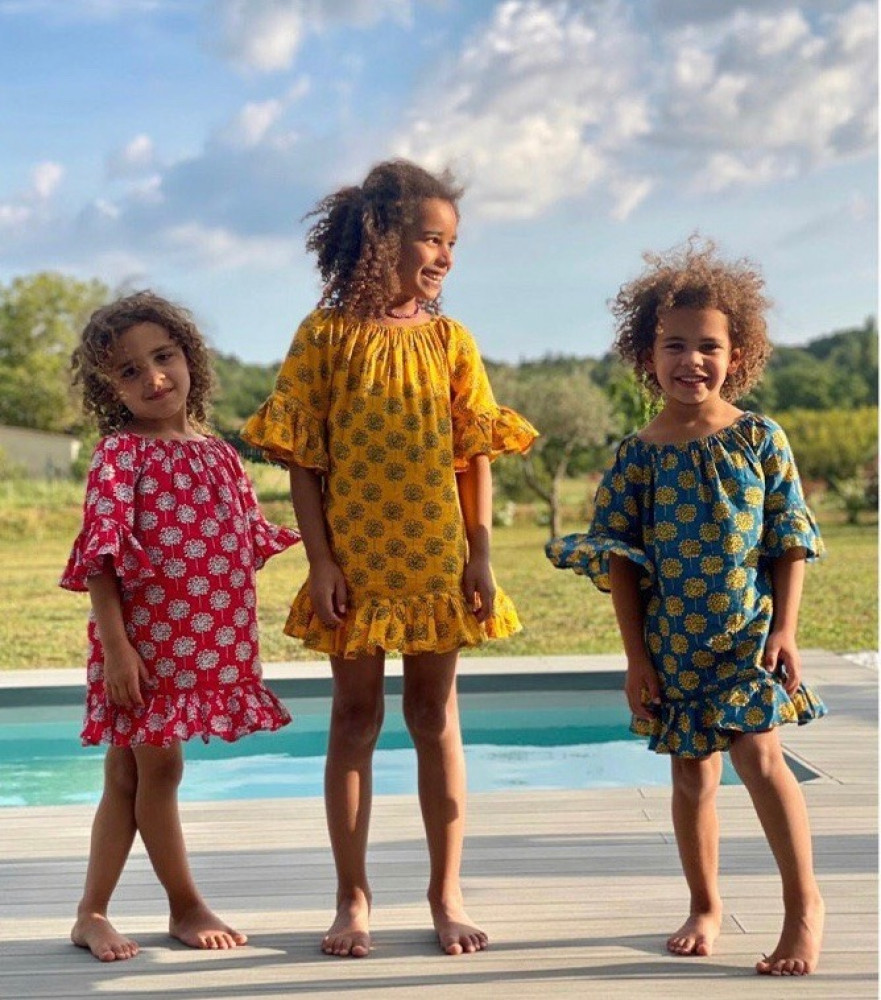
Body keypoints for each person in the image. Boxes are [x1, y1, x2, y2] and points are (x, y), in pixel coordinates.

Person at [241, 159, 537, 958]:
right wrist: (321, 562)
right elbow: (304, 462)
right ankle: (352, 896)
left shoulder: (450, 341)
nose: (444, 257)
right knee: (354, 718)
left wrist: (480, 557)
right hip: (357, 564)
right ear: (380, 238)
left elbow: (473, 456)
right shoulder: (324, 337)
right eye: (431, 239)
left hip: (437, 559)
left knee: (434, 718)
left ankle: (446, 893)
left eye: (452, 244)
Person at [546, 239, 826, 976]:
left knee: (760, 759)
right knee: (691, 777)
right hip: (672, 642)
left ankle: (803, 908)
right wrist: (635, 659)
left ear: (738, 354)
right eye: (674, 345)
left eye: (708, 346)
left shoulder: (759, 439)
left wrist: (787, 628)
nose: (691, 360)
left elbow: (789, 540)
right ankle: (704, 904)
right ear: (647, 353)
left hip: (748, 635)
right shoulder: (635, 456)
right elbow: (621, 563)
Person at [61, 291, 299, 962]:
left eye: (163, 357)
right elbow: (101, 560)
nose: (154, 378)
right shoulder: (120, 456)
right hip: (144, 648)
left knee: (127, 778)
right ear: (109, 388)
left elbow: (241, 540)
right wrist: (117, 649)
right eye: (129, 371)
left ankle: (90, 914)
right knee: (159, 770)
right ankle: (185, 904)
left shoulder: (220, 454)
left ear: (189, 356)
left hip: (205, 642)